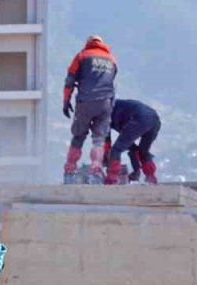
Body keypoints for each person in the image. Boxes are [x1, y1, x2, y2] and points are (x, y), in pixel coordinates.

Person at [62, 35, 118, 184]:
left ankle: (70, 170)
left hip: (85, 102)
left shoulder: (82, 56)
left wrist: (66, 101)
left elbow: (70, 80)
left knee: (78, 136)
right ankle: (96, 171)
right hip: (105, 103)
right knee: (99, 140)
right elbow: (112, 82)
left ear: (88, 44)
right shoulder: (112, 59)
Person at [104, 99, 161, 185]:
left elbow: (106, 142)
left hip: (139, 117)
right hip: (154, 119)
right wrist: (136, 170)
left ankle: (111, 180)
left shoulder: (103, 114)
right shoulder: (116, 110)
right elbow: (132, 148)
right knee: (143, 152)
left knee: (115, 150)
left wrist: (106, 157)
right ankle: (151, 178)